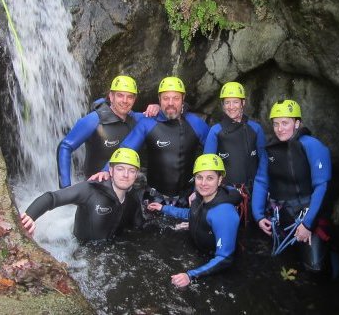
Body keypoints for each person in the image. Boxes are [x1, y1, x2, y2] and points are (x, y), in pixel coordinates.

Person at [90, 76, 210, 207]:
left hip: (188, 198)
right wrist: (106, 170)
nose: (170, 103)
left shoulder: (195, 123)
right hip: (154, 198)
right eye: (165, 98)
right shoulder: (147, 123)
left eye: (175, 98)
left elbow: (213, 153)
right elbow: (126, 150)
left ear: (183, 98)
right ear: (159, 99)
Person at [251, 99, 332, 272]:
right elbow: (261, 180)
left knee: (314, 267)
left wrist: (307, 224)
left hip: (307, 213)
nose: (280, 129)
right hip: (281, 213)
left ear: (297, 123)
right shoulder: (270, 148)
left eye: (285, 123)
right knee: (274, 263)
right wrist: (258, 215)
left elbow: (322, 186)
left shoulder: (312, 146)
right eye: (276, 124)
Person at [147, 154, 241, 287]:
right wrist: (164, 208)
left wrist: (190, 276)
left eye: (210, 178)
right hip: (199, 252)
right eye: (199, 177)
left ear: (220, 180)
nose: (203, 183)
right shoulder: (200, 198)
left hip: (215, 266)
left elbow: (225, 258)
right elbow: (192, 214)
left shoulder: (224, 213)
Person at [20, 148, 145, 243]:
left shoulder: (133, 199)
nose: (126, 174)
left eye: (131, 170)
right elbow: (52, 198)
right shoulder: (90, 190)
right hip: (78, 250)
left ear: (136, 175)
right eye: (120, 169)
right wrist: (30, 216)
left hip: (112, 251)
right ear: (110, 171)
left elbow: (138, 229)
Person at [56, 75, 159, 188]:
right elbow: (65, 146)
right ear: (111, 96)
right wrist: (66, 188)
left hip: (126, 188)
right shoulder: (94, 119)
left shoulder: (136, 119)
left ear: (134, 99)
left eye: (129, 97)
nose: (125, 101)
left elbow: (164, 116)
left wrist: (157, 107)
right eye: (120, 95)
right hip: (96, 187)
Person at [203, 82, 268, 224]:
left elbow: (264, 163)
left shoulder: (255, 129)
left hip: (252, 192)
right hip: (225, 193)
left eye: (235, 102)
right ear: (222, 105)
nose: (231, 107)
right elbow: (206, 167)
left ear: (243, 103)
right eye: (227, 103)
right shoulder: (216, 131)